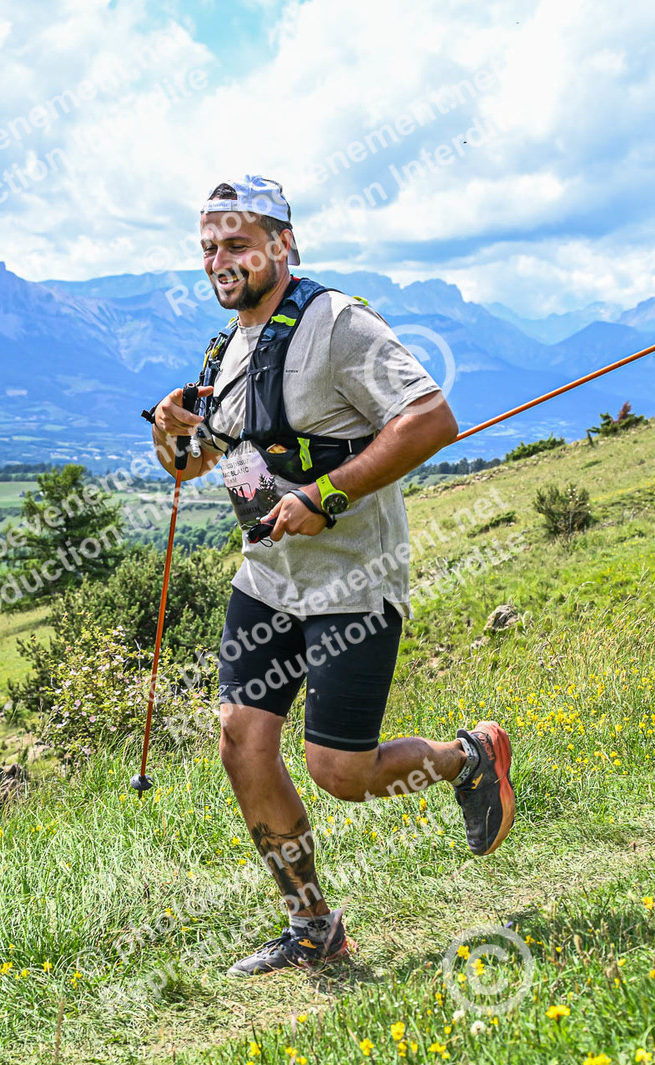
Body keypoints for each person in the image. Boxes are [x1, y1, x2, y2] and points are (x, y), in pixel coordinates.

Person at [150, 175, 516, 977]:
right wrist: (174, 433)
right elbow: (196, 465)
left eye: (237, 243)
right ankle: (312, 926)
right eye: (208, 247)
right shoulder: (227, 348)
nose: (220, 260)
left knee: (341, 772)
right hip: (268, 577)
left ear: (283, 243)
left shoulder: (338, 323)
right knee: (242, 741)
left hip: (353, 576)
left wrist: (328, 495)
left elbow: (432, 418)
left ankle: (470, 756)